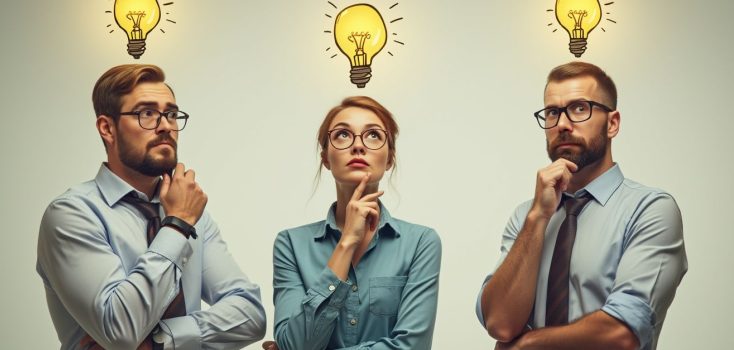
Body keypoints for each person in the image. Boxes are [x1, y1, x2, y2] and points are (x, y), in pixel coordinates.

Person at [36, 64, 266, 349]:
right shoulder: (72, 214)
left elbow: (251, 314)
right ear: (107, 128)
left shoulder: (194, 214)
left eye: (170, 114)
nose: (166, 125)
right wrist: (177, 225)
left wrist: (163, 339)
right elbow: (120, 330)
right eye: (147, 113)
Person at [476, 61, 687, 350]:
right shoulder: (527, 215)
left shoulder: (650, 211)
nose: (562, 124)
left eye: (579, 108)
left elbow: (622, 332)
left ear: (612, 123)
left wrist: (526, 345)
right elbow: (499, 322)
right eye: (552, 112)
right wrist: (539, 217)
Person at [264, 96, 442, 350]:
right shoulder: (290, 244)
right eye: (343, 135)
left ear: (389, 158)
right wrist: (346, 242)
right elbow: (295, 344)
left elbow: (412, 346)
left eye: (372, 135)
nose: (358, 146)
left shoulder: (421, 243)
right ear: (325, 157)